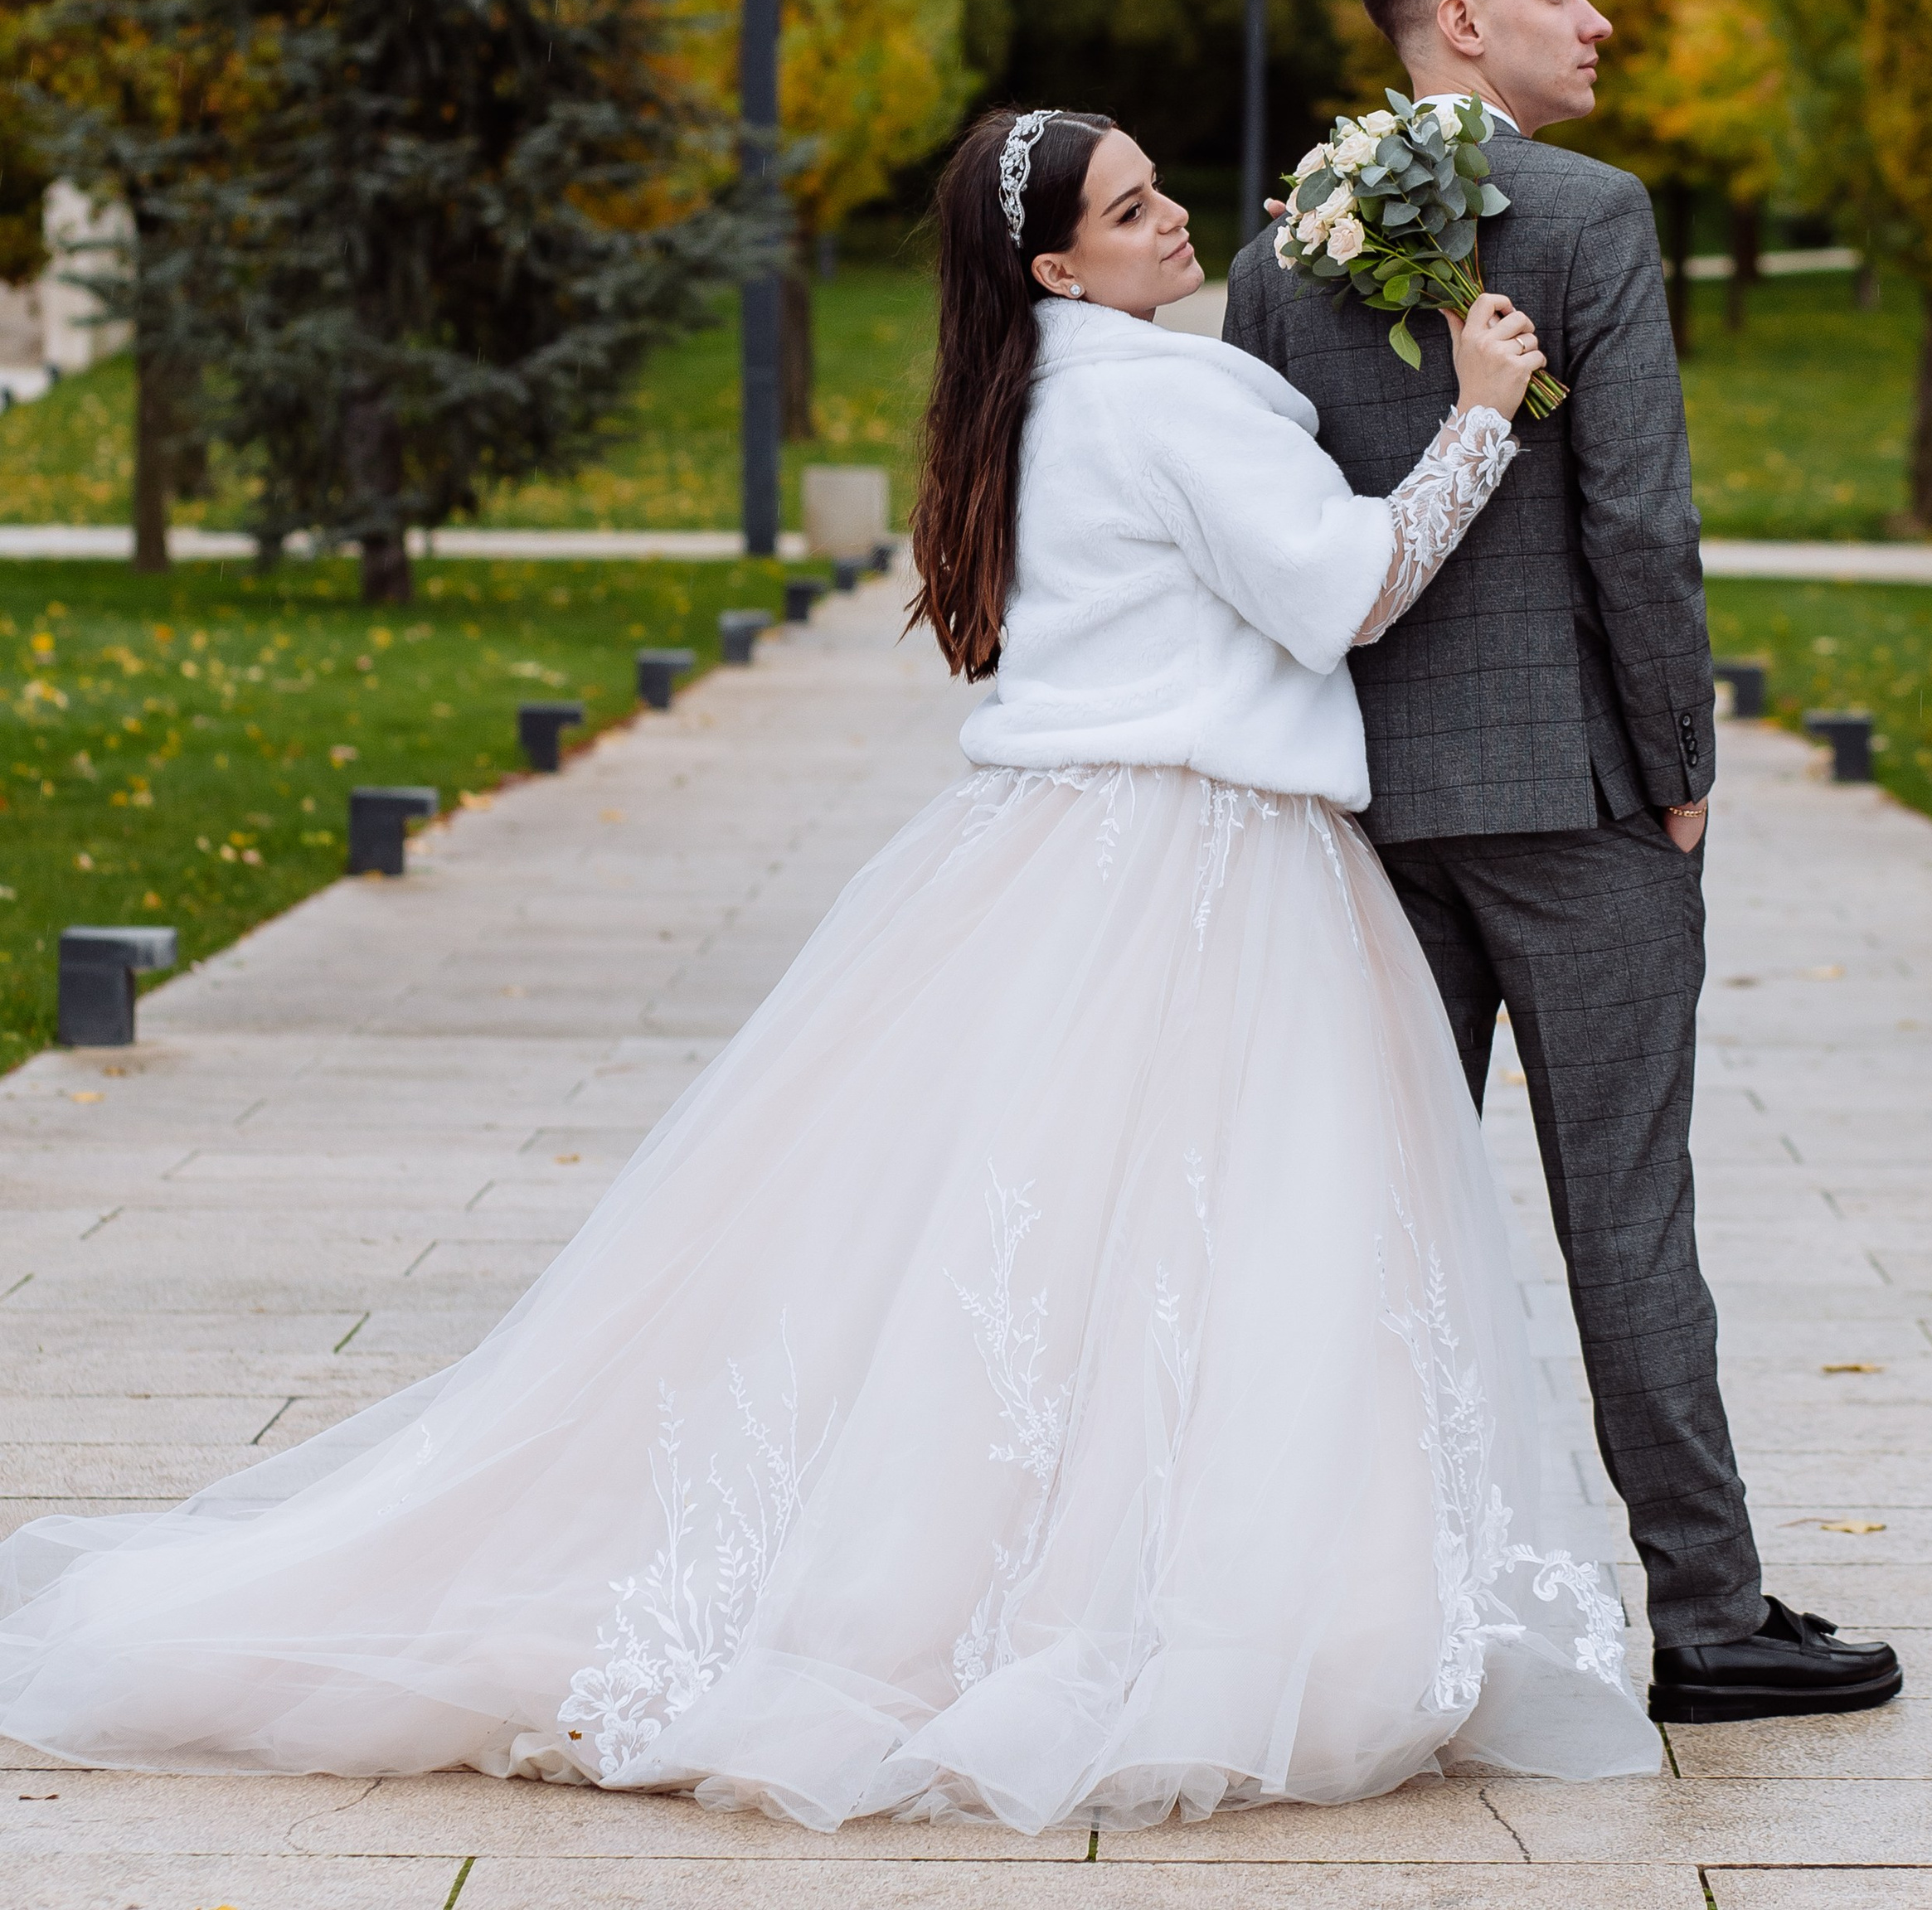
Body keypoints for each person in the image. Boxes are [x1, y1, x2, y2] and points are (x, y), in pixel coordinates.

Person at [0, 104, 1663, 1828]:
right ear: (1051, 265)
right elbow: (1342, 595)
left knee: (1026, 1258)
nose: (1176, 220)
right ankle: (1183, 1606)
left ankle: (1009, 1574)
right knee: (1219, 1248)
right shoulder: (1164, 396)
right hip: (1199, 864)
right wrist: (1475, 418)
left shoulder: (1031, 405)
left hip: (1049, 854)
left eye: (1158, 188)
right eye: (1130, 207)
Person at [1224, 0, 1902, 1729]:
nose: (1592, 16)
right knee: (1621, 1213)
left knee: (1368, 1219)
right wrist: (1676, 769)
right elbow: (1633, 522)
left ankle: (1328, 1605)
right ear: (1459, 22)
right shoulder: (1588, 214)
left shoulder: (1284, 245)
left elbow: (1265, 535)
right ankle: (1705, 1613)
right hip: (1578, 802)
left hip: (1364, 805)